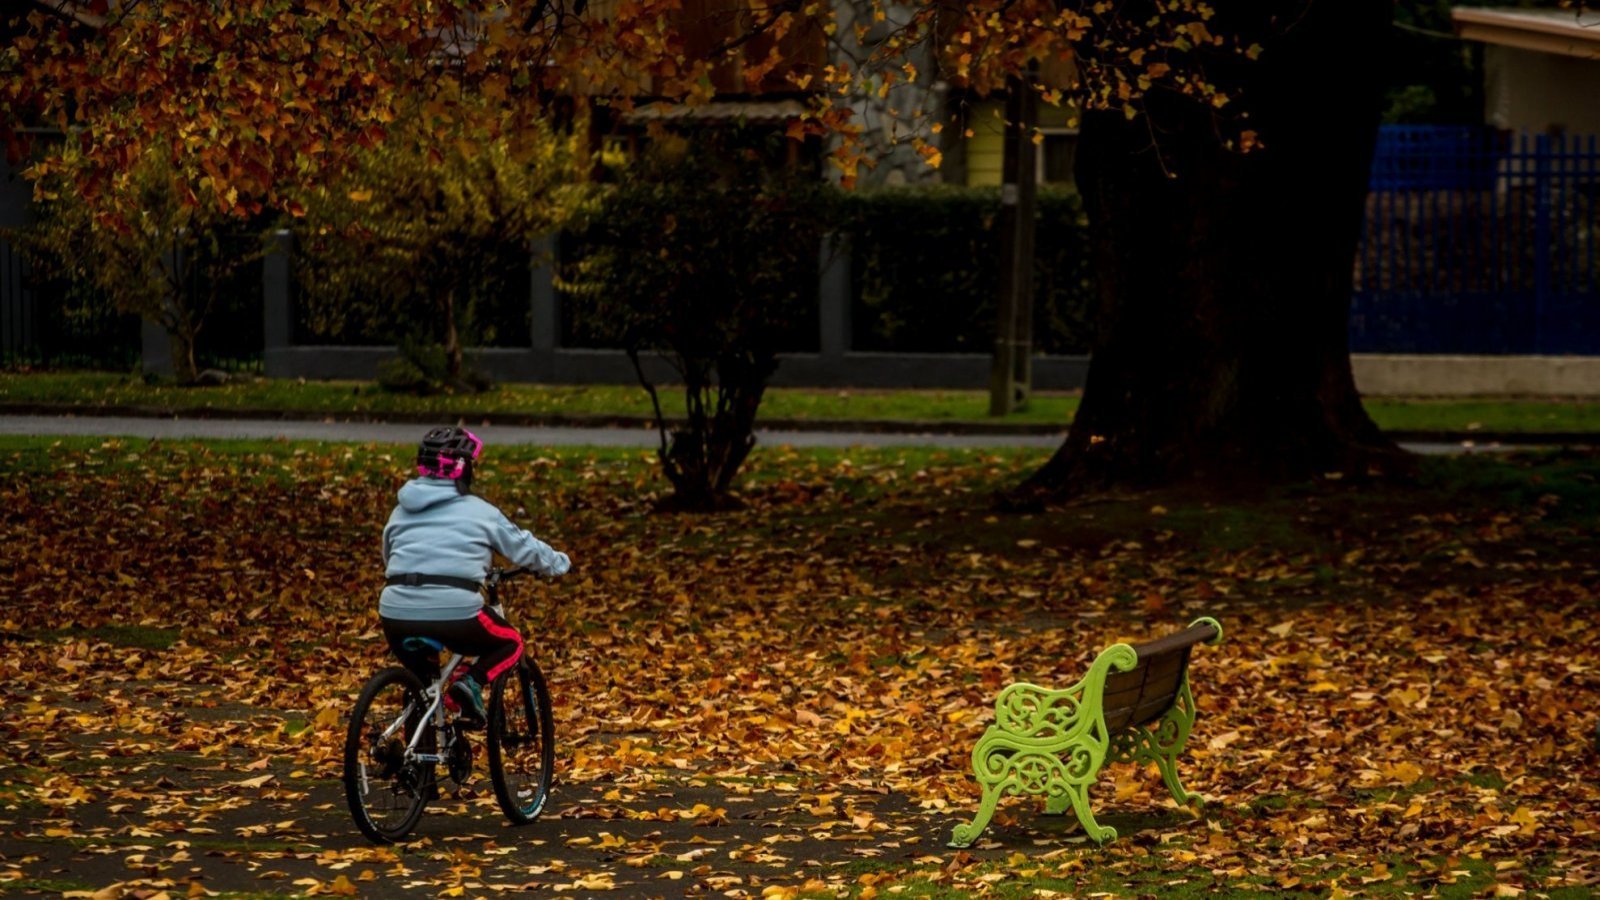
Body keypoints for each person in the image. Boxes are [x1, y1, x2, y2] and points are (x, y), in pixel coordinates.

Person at [380, 426, 570, 727]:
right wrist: (558, 563)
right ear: (464, 468)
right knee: (511, 643)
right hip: (455, 611)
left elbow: (389, 557)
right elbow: (523, 547)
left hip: (394, 611)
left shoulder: (399, 512)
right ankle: (470, 684)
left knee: (423, 685)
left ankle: (417, 764)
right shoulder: (481, 512)